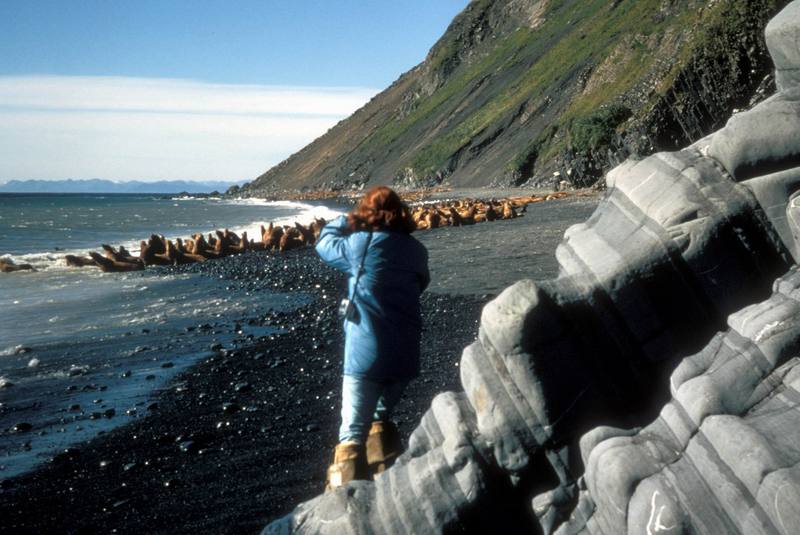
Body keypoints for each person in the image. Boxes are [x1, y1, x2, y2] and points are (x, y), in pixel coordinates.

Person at [315, 186, 430, 490]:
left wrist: (347, 219)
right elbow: (421, 283)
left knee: (352, 432)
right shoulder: (416, 250)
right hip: (405, 353)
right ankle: (386, 486)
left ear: (366, 212)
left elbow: (324, 244)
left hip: (366, 354)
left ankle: (344, 507)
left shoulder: (359, 246)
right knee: (381, 418)